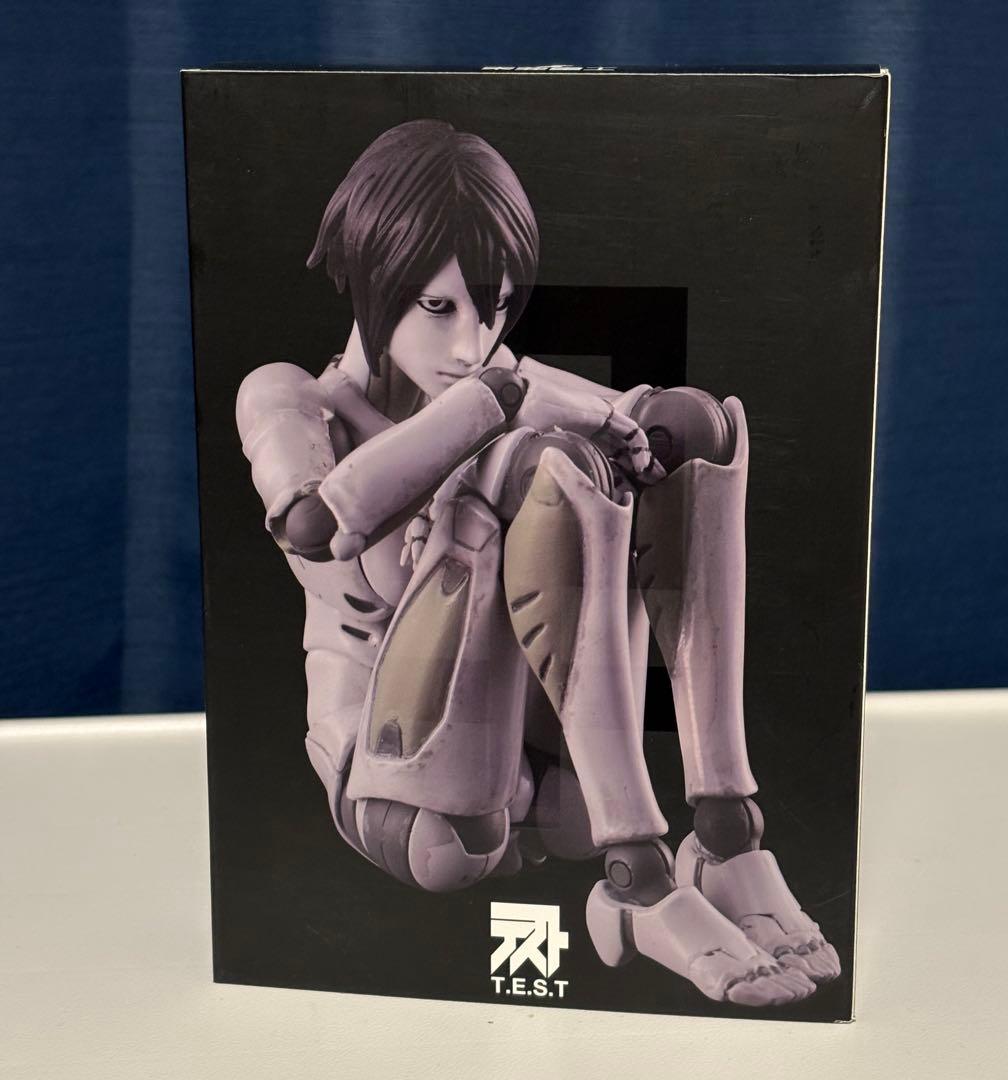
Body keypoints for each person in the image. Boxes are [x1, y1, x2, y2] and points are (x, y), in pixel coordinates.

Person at [236, 119, 838, 1006]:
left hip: (540, 768)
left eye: (495, 309)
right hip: (400, 774)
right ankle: (637, 877)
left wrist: (650, 428)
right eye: (437, 306)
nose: (469, 342)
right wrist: (504, 400)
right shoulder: (293, 396)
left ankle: (725, 832)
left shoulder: (492, 375)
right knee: (529, 466)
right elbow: (318, 525)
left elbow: (641, 430)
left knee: (691, 433)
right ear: (372, 275)